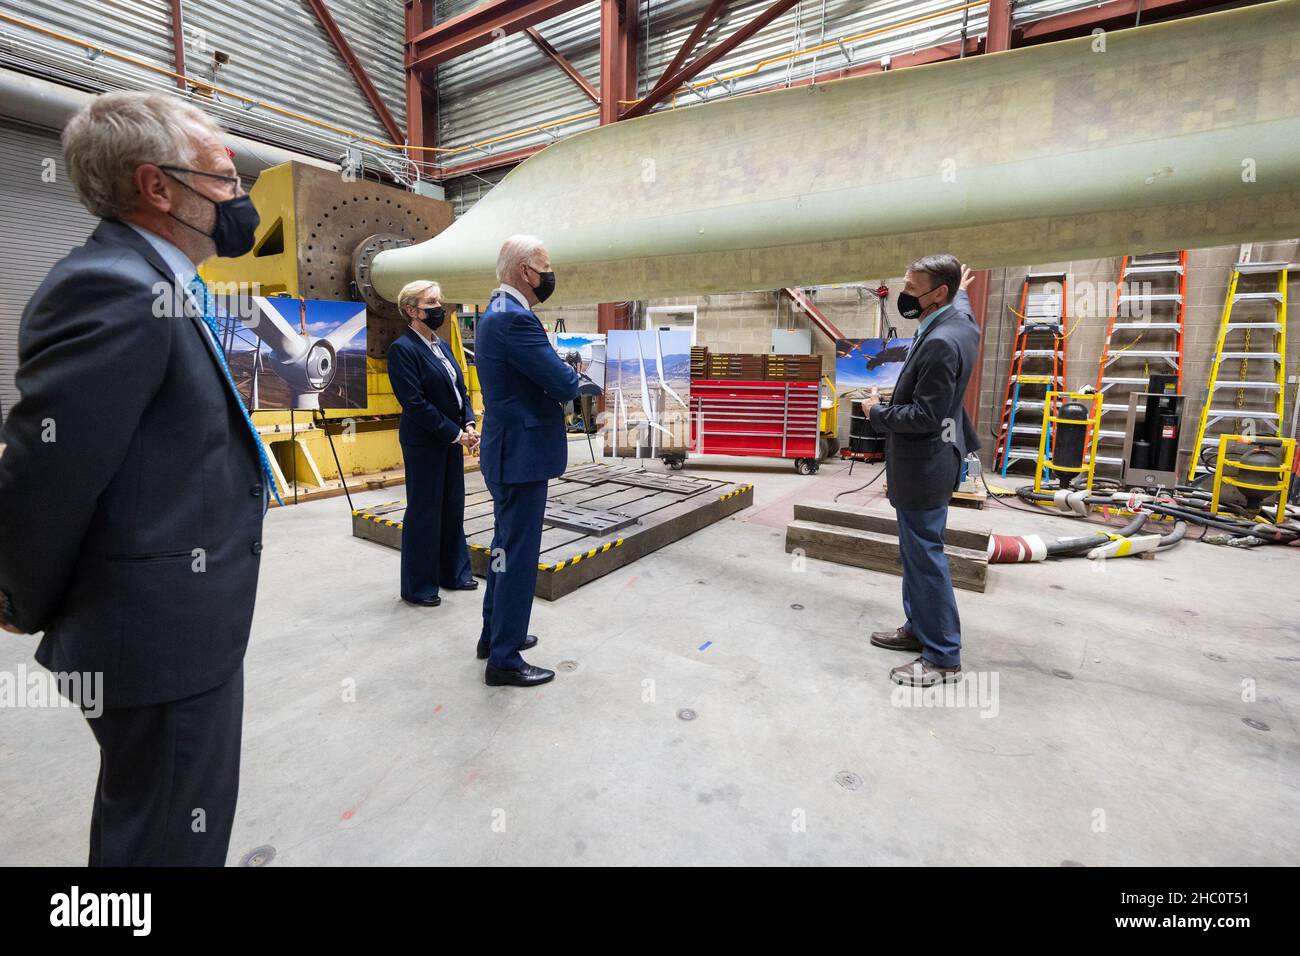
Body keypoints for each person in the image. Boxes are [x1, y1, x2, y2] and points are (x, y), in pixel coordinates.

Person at [0, 91, 278, 864]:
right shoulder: (114, 288)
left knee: (175, 821)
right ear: (158, 187)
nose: (238, 200)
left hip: (182, 628)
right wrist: (17, 596)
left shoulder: (160, 282)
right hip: (154, 640)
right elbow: (47, 470)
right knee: (160, 839)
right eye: (224, 180)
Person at [861, 256, 981, 688]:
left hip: (924, 462)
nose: (905, 294)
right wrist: (963, 285)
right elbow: (963, 300)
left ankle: (944, 657)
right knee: (916, 554)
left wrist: (876, 411)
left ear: (938, 293)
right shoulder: (962, 319)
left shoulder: (941, 342)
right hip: (940, 455)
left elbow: (924, 417)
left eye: (913, 288)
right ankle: (919, 628)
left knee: (926, 558)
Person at [474, 235, 580, 687]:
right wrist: (571, 377)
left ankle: (493, 634)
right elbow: (562, 383)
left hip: (507, 449)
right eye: (545, 267)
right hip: (521, 453)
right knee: (518, 555)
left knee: (503, 546)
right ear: (525, 272)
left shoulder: (494, 312)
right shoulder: (516, 319)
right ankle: (505, 658)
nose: (548, 275)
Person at [387, 280, 479, 606]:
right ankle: (418, 586)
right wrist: (456, 434)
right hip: (425, 443)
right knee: (425, 513)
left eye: (439, 300)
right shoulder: (403, 350)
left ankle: (453, 573)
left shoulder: (442, 347)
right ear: (412, 311)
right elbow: (416, 404)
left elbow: (461, 390)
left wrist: (468, 422)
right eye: (432, 302)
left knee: (453, 508)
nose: (440, 307)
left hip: (451, 439)